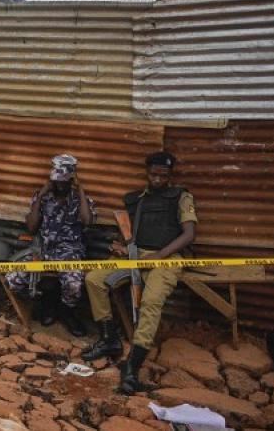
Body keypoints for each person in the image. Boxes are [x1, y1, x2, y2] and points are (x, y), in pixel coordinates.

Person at [81, 151, 197, 395]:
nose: (157, 179)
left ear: (170, 175)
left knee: (151, 301)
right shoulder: (136, 200)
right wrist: (121, 247)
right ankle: (110, 338)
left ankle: (133, 365)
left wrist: (160, 255)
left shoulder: (181, 197)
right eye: (154, 174)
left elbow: (188, 235)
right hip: (135, 254)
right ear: (147, 172)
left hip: (166, 258)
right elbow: (131, 233)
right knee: (94, 279)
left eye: (163, 176)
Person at [5, 154, 94, 337]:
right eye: (56, 181)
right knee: (13, 279)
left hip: (70, 253)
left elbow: (87, 222)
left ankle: (66, 312)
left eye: (64, 181)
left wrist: (82, 191)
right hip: (43, 251)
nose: (59, 185)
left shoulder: (80, 200)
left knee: (74, 285)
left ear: (72, 180)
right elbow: (31, 227)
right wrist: (40, 197)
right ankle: (45, 303)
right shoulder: (44, 198)